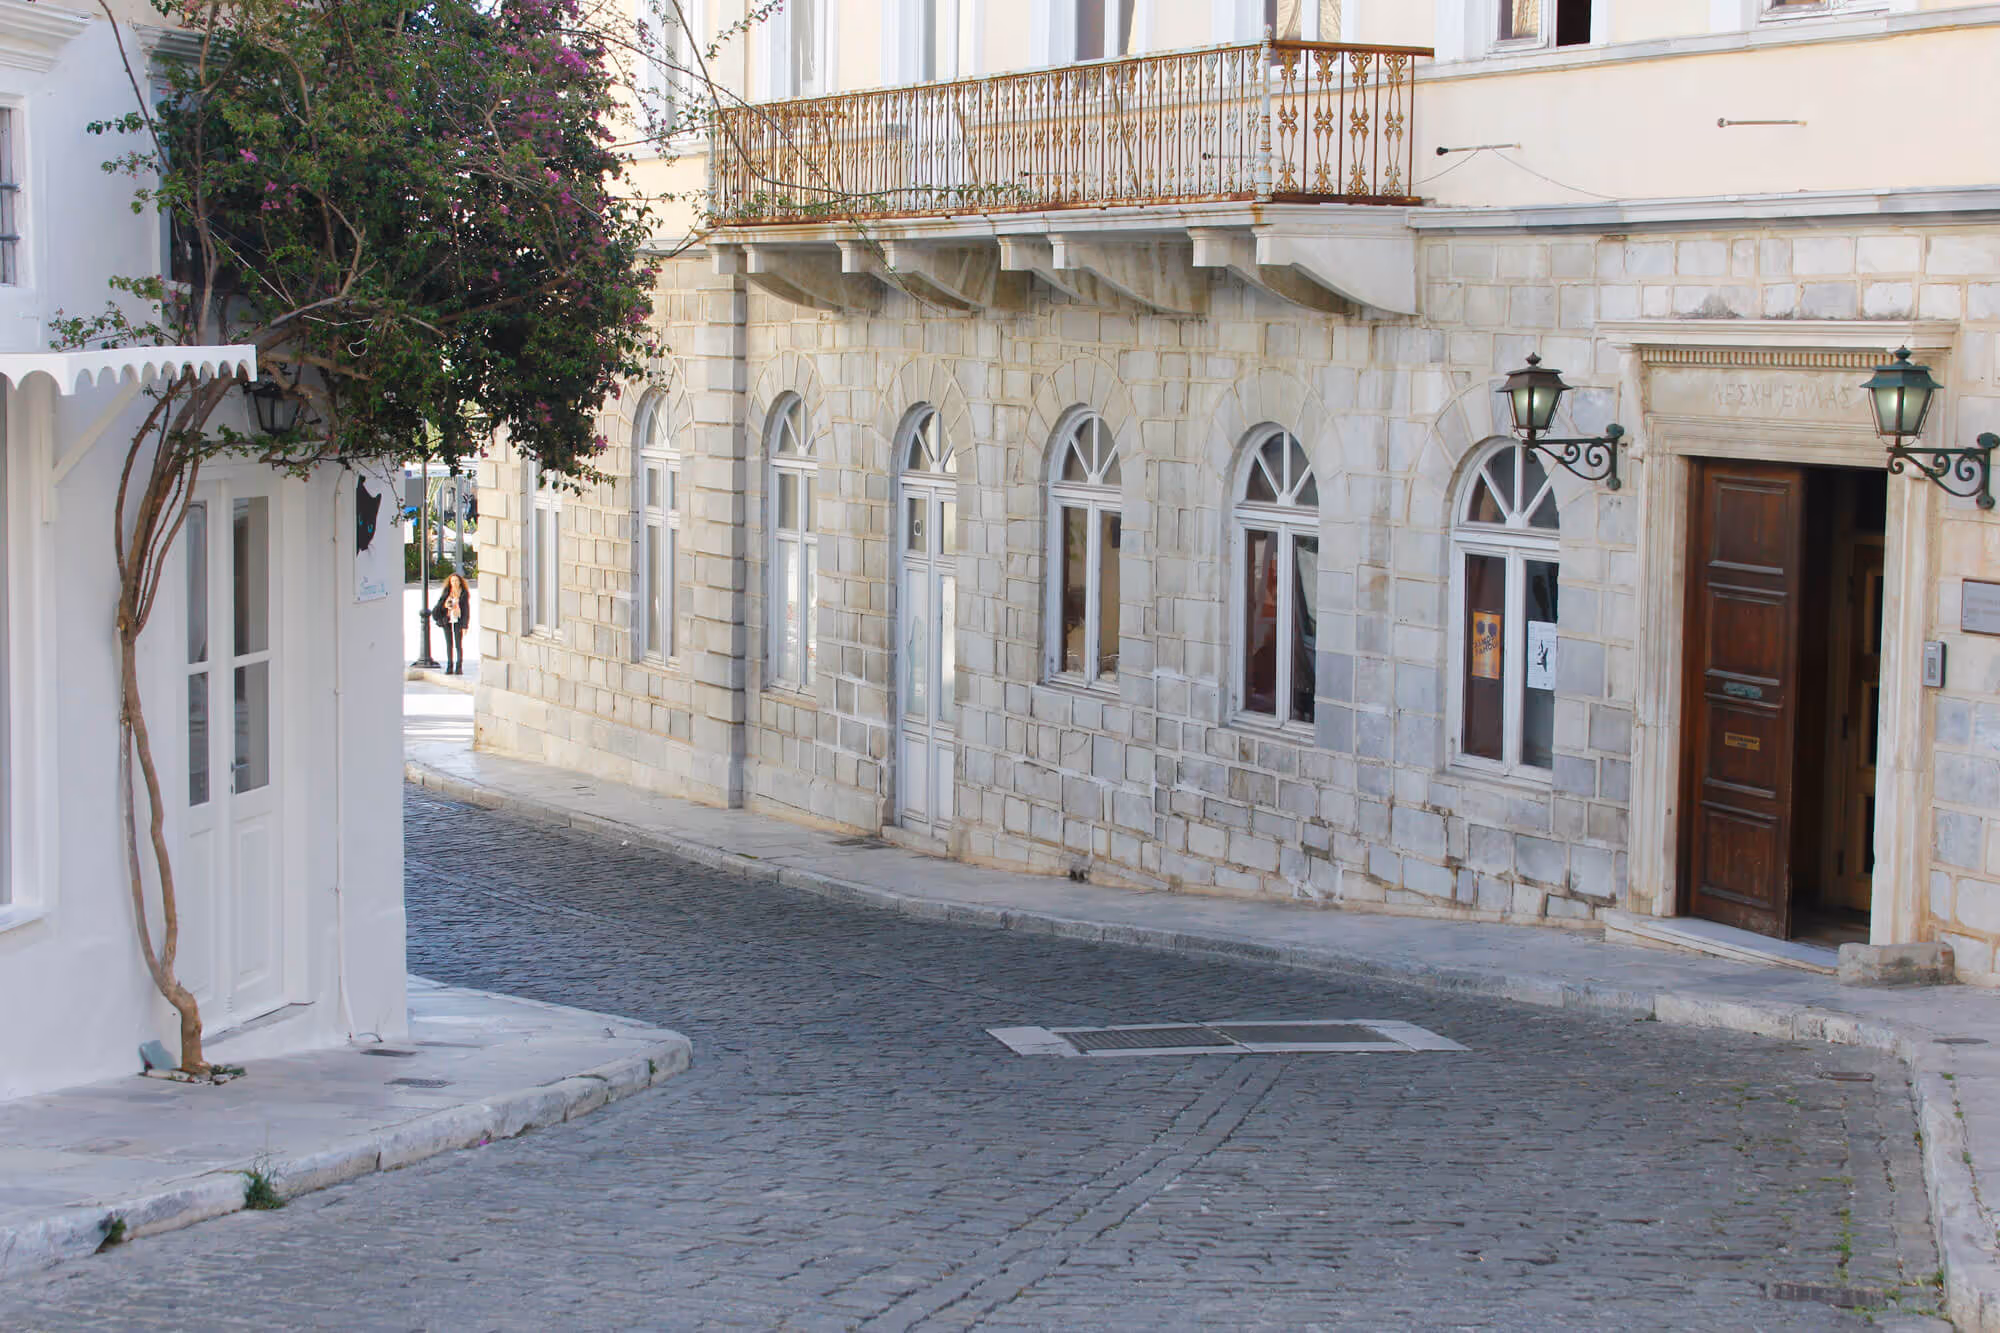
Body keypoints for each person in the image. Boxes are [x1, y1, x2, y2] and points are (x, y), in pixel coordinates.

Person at [432, 571, 473, 674]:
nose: (454, 583)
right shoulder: (446, 593)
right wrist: (445, 606)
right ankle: (449, 666)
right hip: (447, 620)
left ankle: (459, 667)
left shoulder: (463, 594)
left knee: (458, 645)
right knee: (449, 644)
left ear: (460, 582)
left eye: (456, 581)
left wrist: (465, 625)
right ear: (450, 582)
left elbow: (466, 610)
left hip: (458, 621)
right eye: (452, 581)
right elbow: (439, 605)